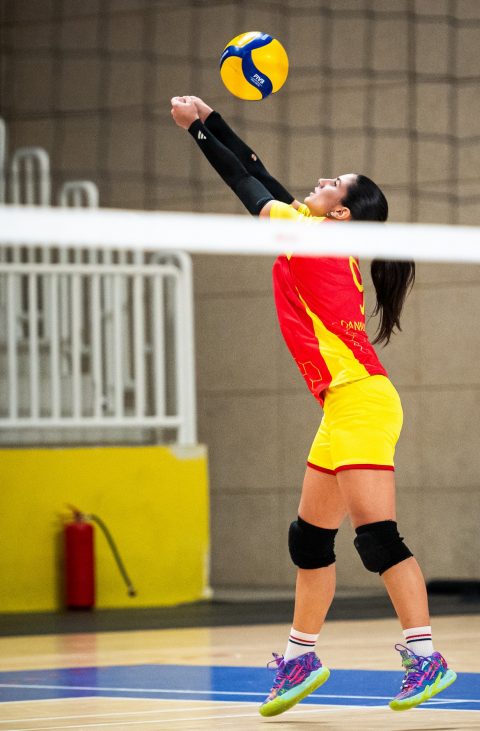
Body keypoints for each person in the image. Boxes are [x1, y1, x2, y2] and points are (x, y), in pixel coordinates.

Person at [170, 95, 457, 716]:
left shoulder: (311, 235)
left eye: (334, 183)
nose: (320, 181)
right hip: (341, 405)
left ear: (342, 211)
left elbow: (247, 185)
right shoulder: (313, 230)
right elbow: (261, 170)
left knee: (377, 539)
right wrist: (214, 119)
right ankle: (300, 658)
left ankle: (425, 655)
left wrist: (196, 133)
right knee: (309, 541)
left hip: (362, 402)